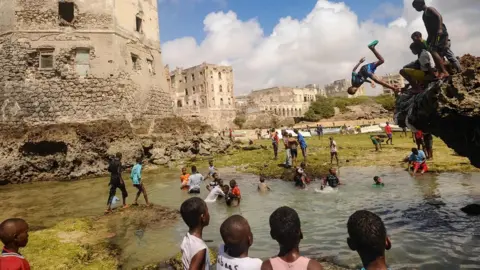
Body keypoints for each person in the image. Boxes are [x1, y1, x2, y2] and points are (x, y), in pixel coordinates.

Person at [412, 0, 450, 79]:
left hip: (440, 33)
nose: (416, 9)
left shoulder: (429, 9)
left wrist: (440, 28)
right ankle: (440, 72)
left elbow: (439, 16)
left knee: (433, 50)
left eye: (415, 7)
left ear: (420, 4)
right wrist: (429, 39)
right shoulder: (424, 15)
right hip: (434, 35)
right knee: (433, 51)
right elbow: (428, 29)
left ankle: (444, 71)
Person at [180, 197, 211, 270]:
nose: (209, 214)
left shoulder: (187, 237)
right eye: (207, 211)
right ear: (203, 217)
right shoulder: (200, 249)